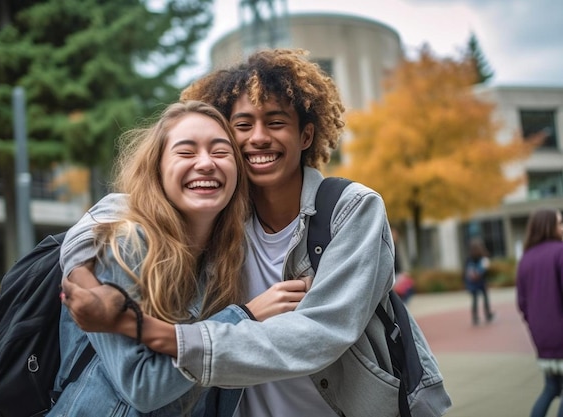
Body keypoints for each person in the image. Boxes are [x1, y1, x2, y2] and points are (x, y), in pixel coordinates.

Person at [61, 49, 451, 416]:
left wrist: (154, 332)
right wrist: (79, 270)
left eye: (276, 122)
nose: (259, 137)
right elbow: (123, 209)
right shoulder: (222, 216)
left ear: (306, 136)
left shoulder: (350, 209)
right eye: (243, 126)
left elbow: (320, 332)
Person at [49, 100, 307, 416]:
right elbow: (142, 387)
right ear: (157, 169)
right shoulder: (125, 243)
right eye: (185, 152)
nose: (205, 163)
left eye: (220, 152)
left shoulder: (229, 257)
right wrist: (244, 317)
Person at [516, 208, 563, 417]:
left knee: (551, 388)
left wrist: (536, 323)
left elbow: (522, 303)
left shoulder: (526, 258)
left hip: (541, 337)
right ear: (549, 226)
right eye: (560, 223)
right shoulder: (560, 251)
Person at [463, 238, 495, 325]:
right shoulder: (483, 258)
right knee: (484, 298)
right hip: (480, 282)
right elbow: (486, 271)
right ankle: (487, 314)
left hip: (473, 282)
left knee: (475, 299)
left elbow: (465, 271)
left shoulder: (469, 258)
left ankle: (475, 316)